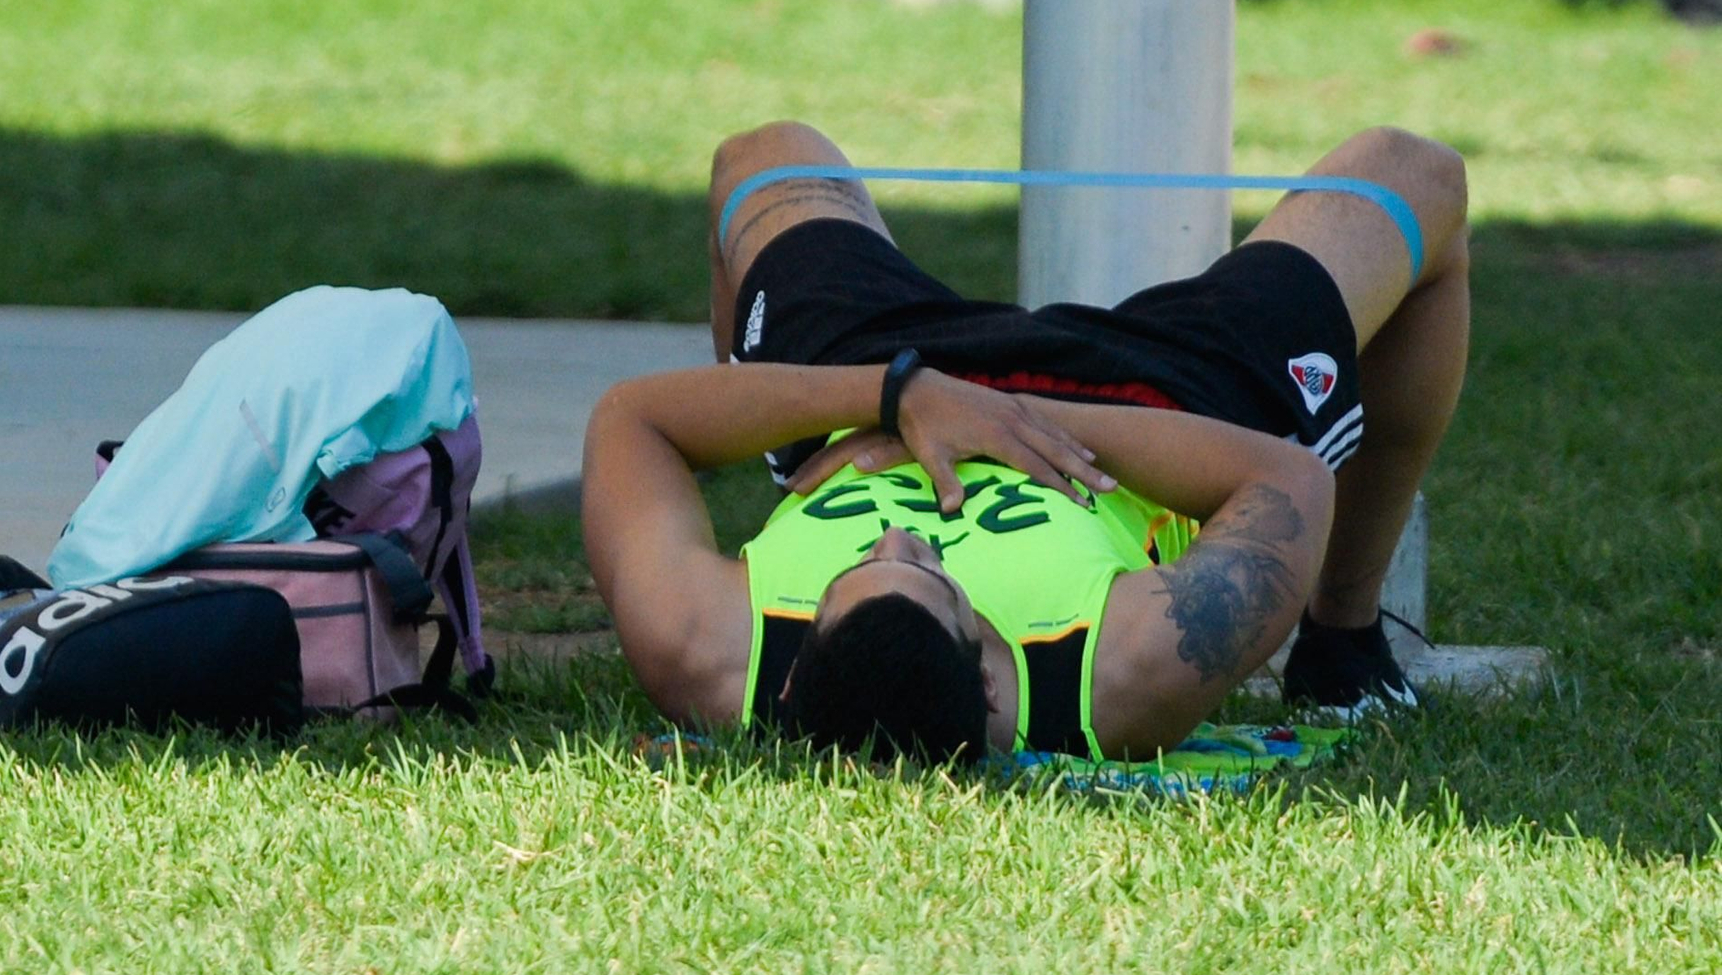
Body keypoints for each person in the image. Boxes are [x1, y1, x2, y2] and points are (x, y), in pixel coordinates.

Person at [583, 121, 1468, 764]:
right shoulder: (1118, 671)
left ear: (790, 674)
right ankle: (1346, 643)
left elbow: (633, 419)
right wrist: (1006, 418)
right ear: (990, 681)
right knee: (1416, 175)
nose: (903, 535)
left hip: (887, 382)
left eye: (851, 570)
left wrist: (904, 396)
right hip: (1157, 401)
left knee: (758, 157)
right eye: (935, 571)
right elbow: (1289, 482)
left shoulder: (708, 646)